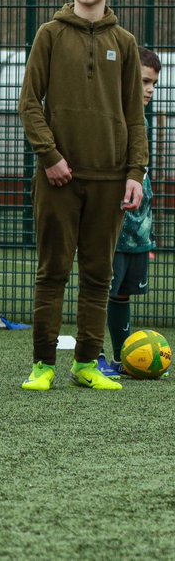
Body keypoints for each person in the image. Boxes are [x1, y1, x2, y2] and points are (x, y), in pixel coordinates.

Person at [18, 0, 147, 392]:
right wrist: (50, 157)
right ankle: (43, 365)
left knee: (99, 274)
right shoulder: (49, 35)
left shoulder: (126, 43)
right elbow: (29, 103)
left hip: (111, 179)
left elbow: (135, 114)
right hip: (58, 180)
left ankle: (88, 364)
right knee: (52, 271)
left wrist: (136, 174)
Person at [98, 48, 161, 378]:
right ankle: (92, 355)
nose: (150, 90)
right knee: (100, 289)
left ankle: (125, 358)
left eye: (154, 84)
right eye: (145, 82)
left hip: (137, 235)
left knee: (122, 293)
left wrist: (148, 238)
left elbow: (145, 185)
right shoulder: (112, 121)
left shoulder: (143, 124)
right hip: (111, 230)